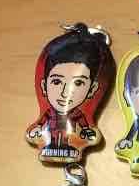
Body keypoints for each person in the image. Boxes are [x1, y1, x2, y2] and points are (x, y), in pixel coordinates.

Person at [27, 29, 104, 160]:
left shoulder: (77, 114)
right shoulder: (49, 113)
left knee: (65, 138)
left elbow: (84, 123)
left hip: (70, 138)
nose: (64, 93)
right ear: (44, 86)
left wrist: (86, 131)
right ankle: (53, 147)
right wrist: (38, 127)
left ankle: (65, 147)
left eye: (78, 83)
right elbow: (43, 120)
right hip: (51, 134)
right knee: (54, 137)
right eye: (57, 82)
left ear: (92, 89)